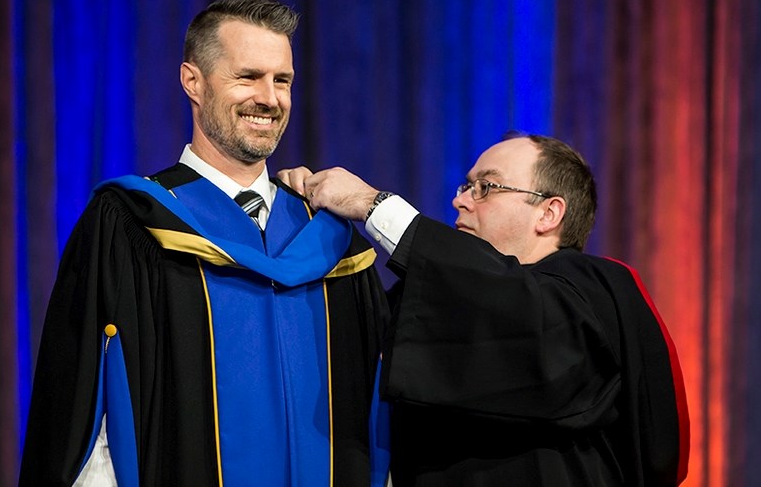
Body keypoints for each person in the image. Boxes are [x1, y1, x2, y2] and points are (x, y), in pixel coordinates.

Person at [20, 0, 391, 486]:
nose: (270, 98)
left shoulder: (330, 238)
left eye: (282, 81)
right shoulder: (133, 224)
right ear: (192, 82)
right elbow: (93, 417)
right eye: (248, 77)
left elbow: (378, 406)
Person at [279, 133, 690, 486]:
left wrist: (372, 205)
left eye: (486, 188)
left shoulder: (593, 293)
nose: (460, 200)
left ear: (549, 213)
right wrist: (290, 221)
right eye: (465, 186)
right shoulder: (437, 302)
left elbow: (510, 309)